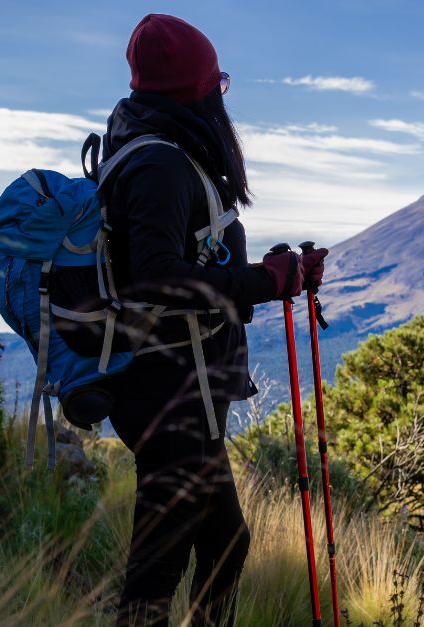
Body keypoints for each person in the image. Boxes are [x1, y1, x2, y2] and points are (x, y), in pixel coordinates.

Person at [96, 13, 328, 627]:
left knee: (226, 543)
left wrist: (271, 271)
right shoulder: (160, 165)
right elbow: (155, 277)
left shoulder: (155, 147)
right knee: (156, 573)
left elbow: (191, 257)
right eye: (216, 85)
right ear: (197, 92)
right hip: (169, 389)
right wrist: (266, 283)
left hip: (184, 389)